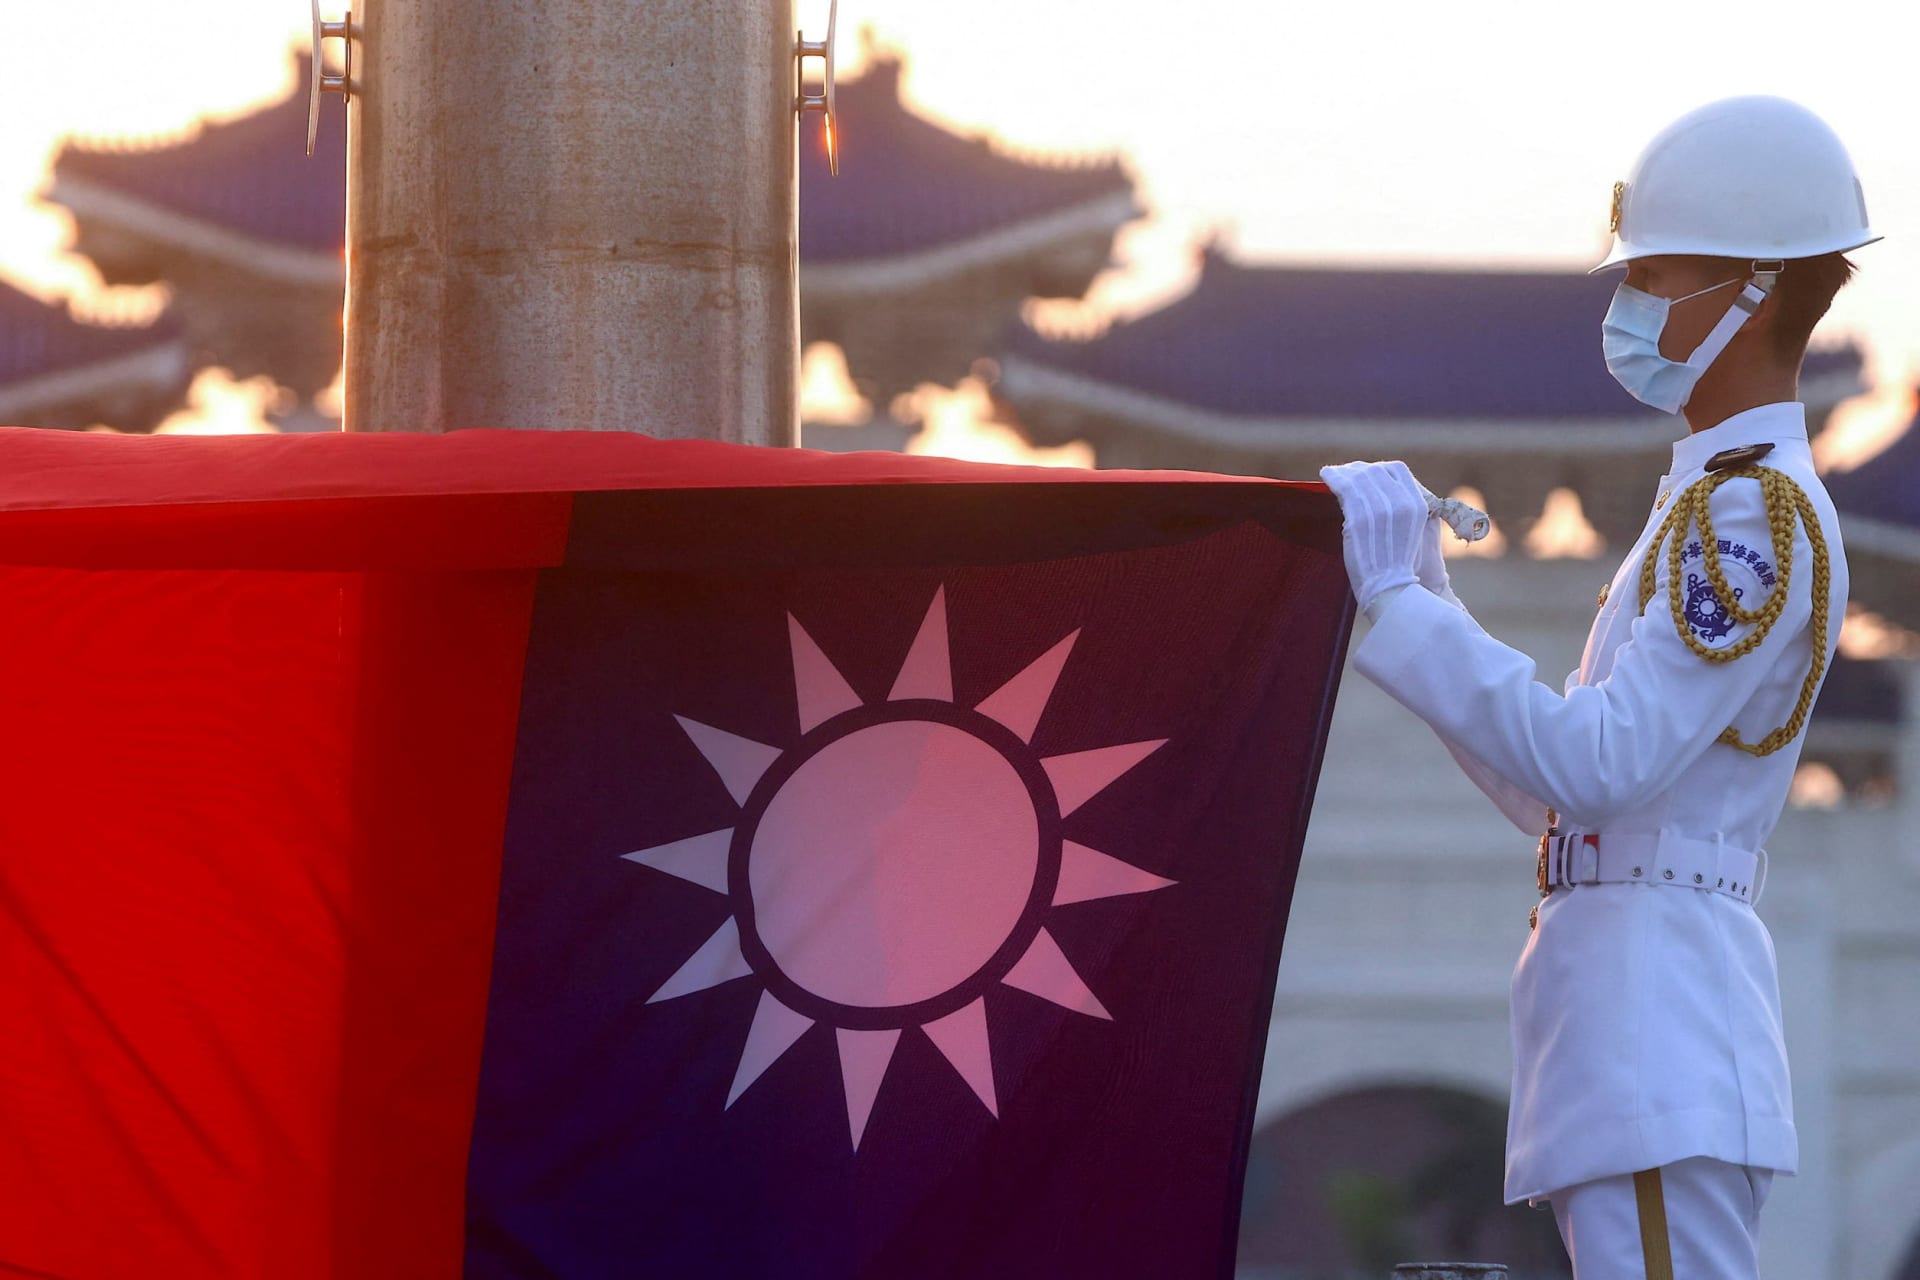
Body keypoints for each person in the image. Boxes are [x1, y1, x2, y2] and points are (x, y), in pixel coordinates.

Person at [1320, 95, 1878, 1279]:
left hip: (1658, 1020)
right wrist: (1431, 600)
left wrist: (1405, 612)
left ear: (1757, 290)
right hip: (1624, 1012)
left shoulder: (1751, 510)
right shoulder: (1701, 497)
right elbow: (1557, 796)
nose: (1629, 310)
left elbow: (1597, 763)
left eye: (1659, 276)